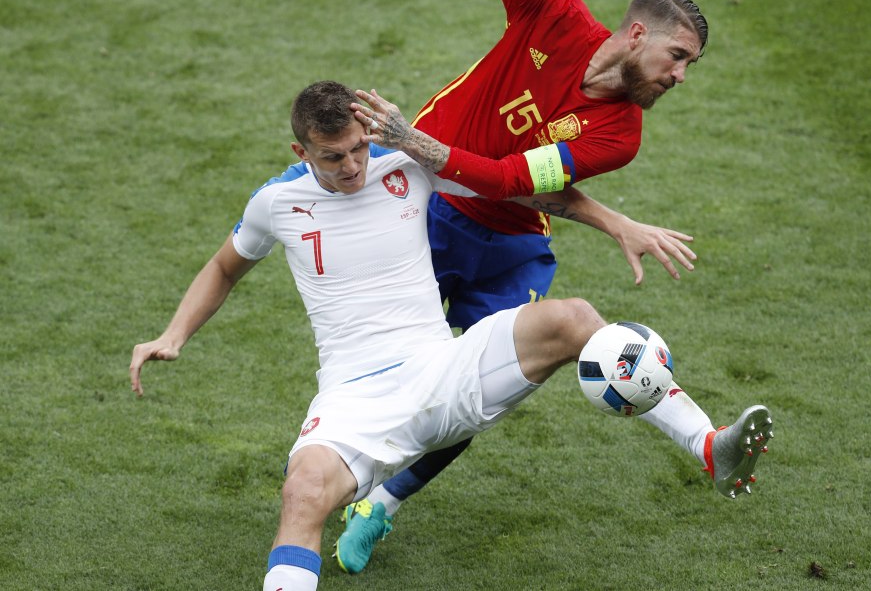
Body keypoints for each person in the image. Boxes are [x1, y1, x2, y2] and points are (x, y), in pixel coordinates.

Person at [129, 81, 773, 589]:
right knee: (301, 495)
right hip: (353, 398)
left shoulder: (406, 165)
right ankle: (369, 508)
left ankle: (709, 446)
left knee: (575, 317)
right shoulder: (275, 203)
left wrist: (617, 223)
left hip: (442, 367)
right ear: (301, 152)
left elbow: (522, 189)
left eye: (359, 147)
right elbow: (223, 266)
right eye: (333, 157)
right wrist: (174, 333)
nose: (354, 165)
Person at [336, 0, 712, 572]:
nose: (681, 76)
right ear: (637, 34)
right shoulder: (555, 16)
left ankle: (383, 503)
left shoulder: (620, 133)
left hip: (510, 244)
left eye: (690, 65)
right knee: (392, 366)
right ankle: (338, 469)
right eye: (677, 57)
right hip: (425, 212)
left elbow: (515, 181)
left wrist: (412, 138)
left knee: (486, 388)